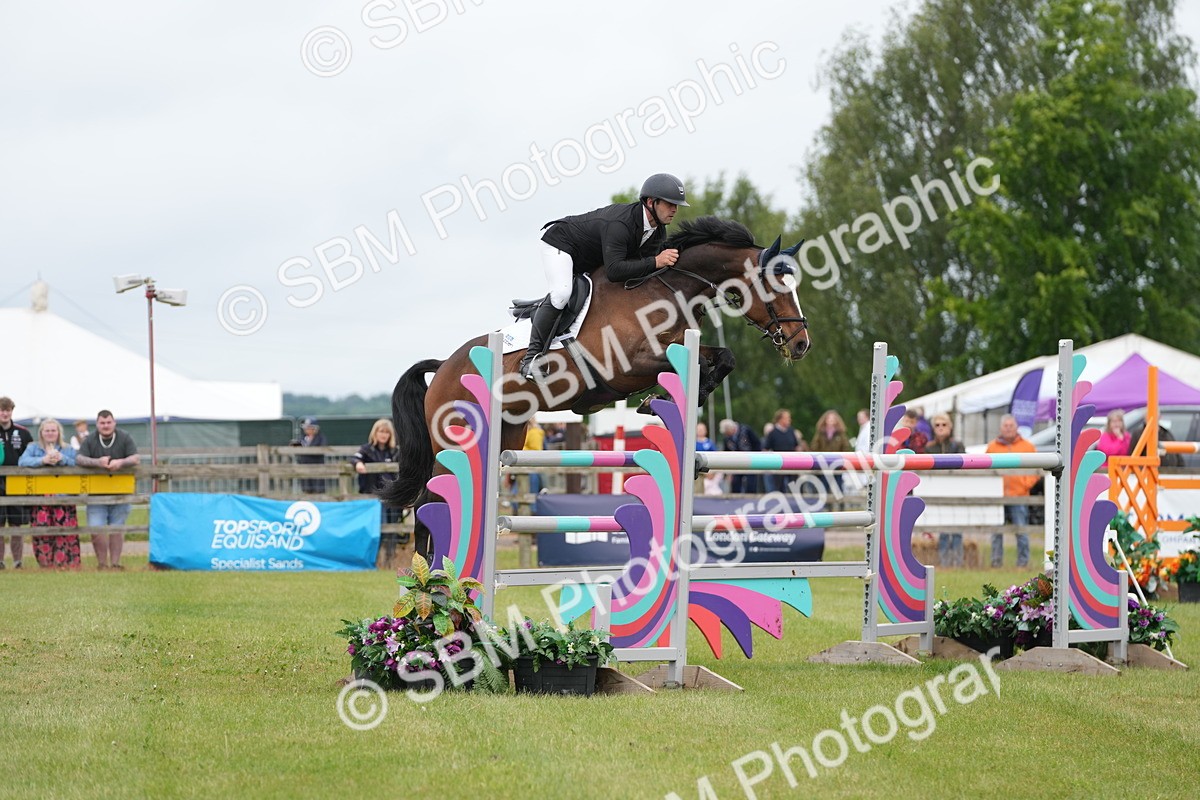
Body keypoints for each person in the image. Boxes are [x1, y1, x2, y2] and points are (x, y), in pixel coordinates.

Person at [519, 173, 689, 379]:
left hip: (590, 258)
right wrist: (656, 261)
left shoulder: (657, 231)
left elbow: (639, 271)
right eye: (670, 204)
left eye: (677, 205)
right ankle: (531, 359)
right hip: (561, 244)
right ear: (651, 202)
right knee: (562, 294)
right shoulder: (621, 224)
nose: (675, 210)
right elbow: (615, 270)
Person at [75, 410, 140, 570]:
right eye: (102, 423)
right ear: (97, 424)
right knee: (96, 528)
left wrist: (121, 462)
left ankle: (116, 563)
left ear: (114, 423)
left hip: (121, 492)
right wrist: (97, 462)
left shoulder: (124, 436)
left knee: (117, 528)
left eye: (108, 422)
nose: (105, 426)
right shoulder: (90, 439)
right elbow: (79, 458)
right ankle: (102, 564)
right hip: (96, 494)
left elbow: (136, 458)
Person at [17, 419, 81, 570]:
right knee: (42, 532)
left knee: (65, 531)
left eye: (53, 430)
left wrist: (62, 459)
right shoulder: (33, 448)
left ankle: (66, 563)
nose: (50, 433)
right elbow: (22, 461)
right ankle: (46, 564)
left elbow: (77, 464)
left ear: (59, 432)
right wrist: (42, 460)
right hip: (41, 497)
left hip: (63, 495)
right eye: (47, 430)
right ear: (41, 433)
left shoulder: (68, 449)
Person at [986, 414, 1038, 568]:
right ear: (1000, 428)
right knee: (996, 531)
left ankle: (1023, 563)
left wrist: (1025, 484)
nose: (1008, 428)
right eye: (1005, 425)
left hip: (1019, 495)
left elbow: (1035, 469)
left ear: (1016, 428)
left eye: (1011, 425)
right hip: (998, 495)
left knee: (1021, 531)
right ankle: (996, 563)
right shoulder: (992, 447)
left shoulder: (1028, 446)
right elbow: (985, 469)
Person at [926, 413, 966, 568]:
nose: (941, 428)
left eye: (944, 425)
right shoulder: (929, 448)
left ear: (950, 427)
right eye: (937, 425)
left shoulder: (958, 445)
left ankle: (958, 562)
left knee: (957, 527)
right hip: (938, 491)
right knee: (942, 528)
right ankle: (943, 563)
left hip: (956, 490)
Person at [0, 397, 32, 569]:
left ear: (12, 411)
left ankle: (18, 561)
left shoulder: (23, 432)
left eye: (7, 410)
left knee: (16, 524)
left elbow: (31, 454)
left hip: (17, 483)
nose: (4, 413)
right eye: (1, 410)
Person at [809, 410, 851, 503]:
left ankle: (840, 506)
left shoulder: (841, 433)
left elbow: (846, 447)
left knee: (838, 487)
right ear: (825, 420)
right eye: (829, 418)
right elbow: (814, 446)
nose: (831, 420)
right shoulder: (820, 433)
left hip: (837, 465)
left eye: (833, 418)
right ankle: (824, 506)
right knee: (824, 486)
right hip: (824, 464)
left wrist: (840, 457)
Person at [762, 409, 805, 493]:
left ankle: (796, 504)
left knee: (795, 486)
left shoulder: (791, 431)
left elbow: (796, 447)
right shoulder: (773, 433)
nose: (789, 420)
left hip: (792, 464)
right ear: (780, 419)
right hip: (778, 465)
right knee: (779, 487)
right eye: (787, 418)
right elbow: (766, 448)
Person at [719, 418, 761, 494]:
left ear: (731, 429)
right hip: (737, 463)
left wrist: (756, 458)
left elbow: (757, 443)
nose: (727, 435)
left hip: (751, 461)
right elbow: (726, 453)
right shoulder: (727, 439)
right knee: (735, 484)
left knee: (751, 484)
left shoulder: (746, 430)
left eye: (727, 433)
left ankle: (751, 499)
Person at [294, 417, 326, 495]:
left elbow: (322, 449)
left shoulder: (321, 438)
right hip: (304, 465)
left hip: (317, 466)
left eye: (309, 428)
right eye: (305, 428)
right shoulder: (302, 438)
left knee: (318, 488)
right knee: (306, 487)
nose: (306, 429)